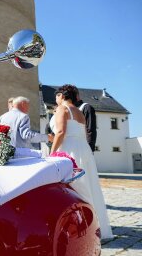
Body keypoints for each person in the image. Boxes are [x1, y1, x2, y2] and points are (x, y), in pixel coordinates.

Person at [49, 84, 113, 240]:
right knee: (89, 186)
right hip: (83, 149)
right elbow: (80, 134)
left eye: (57, 96)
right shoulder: (80, 111)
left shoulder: (62, 109)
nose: (55, 99)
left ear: (62, 96)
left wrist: (52, 153)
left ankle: (78, 228)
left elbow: (61, 132)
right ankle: (96, 226)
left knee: (73, 187)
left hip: (69, 149)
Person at [73, 86, 97, 152]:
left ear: (77, 95)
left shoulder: (86, 107)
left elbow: (90, 130)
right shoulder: (70, 109)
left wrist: (89, 149)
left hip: (84, 147)